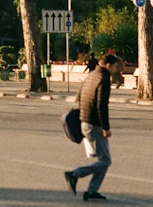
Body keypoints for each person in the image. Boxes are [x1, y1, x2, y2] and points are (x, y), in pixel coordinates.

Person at [65, 53, 116, 202]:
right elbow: (101, 105)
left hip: (85, 122)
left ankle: (92, 191)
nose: (116, 69)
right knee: (105, 160)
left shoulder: (92, 74)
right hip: (94, 124)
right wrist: (105, 127)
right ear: (108, 65)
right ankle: (74, 174)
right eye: (115, 66)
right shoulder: (104, 79)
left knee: (103, 159)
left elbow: (79, 96)